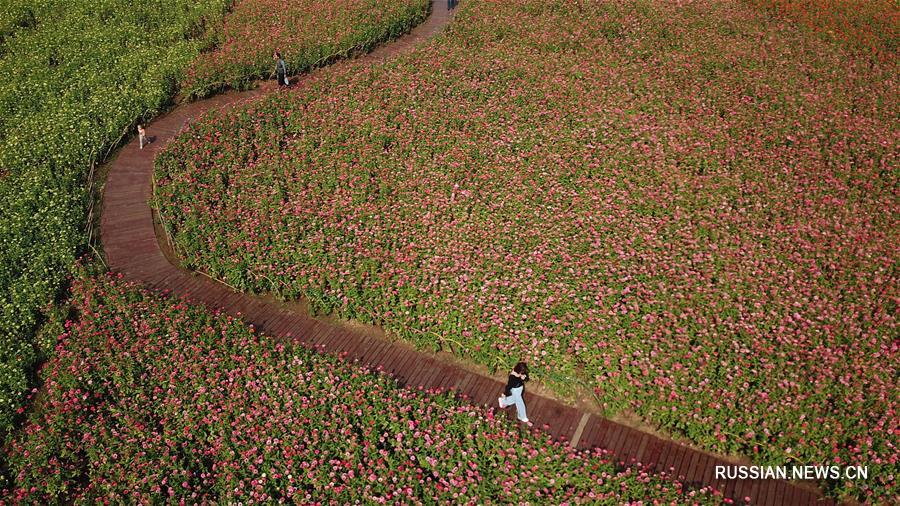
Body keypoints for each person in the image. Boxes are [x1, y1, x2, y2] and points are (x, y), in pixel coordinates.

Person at [498, 361, 532, 426]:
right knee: (520, 403)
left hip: (519, 390)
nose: (522, 373)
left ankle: (503, 401)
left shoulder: (520, 371)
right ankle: (523, 417)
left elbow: (526, 379)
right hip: (516, 391)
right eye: (521, 373)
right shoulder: (512, 377)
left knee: (515, 399)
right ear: (518, 371)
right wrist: (505, 393)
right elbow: (509, 386)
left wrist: (524, 377)